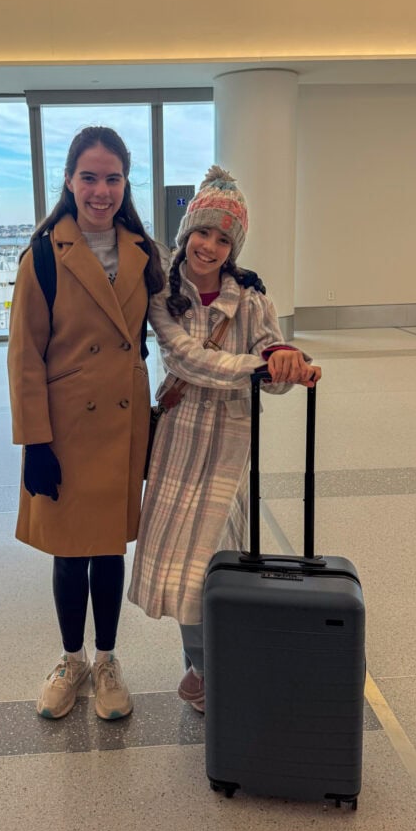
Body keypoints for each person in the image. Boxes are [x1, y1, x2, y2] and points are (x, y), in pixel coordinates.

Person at [128, 166, 321, 712]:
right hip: (179, 435)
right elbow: (188, 360)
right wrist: (258, 367)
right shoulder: (163, 295)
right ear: (186, 232)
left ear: (233, 248)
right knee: (183, 563)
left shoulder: (252, 298)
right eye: (202, 232)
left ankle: (212, 667)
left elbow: (272, 366)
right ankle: (202, 666)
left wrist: (285, 363)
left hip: (231, 440)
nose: (209, 247)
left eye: (222, 239)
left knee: (217, 559)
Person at [8, 126, 164, 720]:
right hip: (67, 427)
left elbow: (184, 307)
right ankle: (71, 660)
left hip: (122, 420)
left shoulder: (144, 253)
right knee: (71, 550)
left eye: (113, 178)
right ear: (69, 181)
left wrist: (241, 283)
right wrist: (35, 443)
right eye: (90, 177)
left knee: (108, 548)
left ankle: (106, 660)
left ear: (126, 184)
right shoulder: (44, 254)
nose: (102, 191)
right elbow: (25, 355)